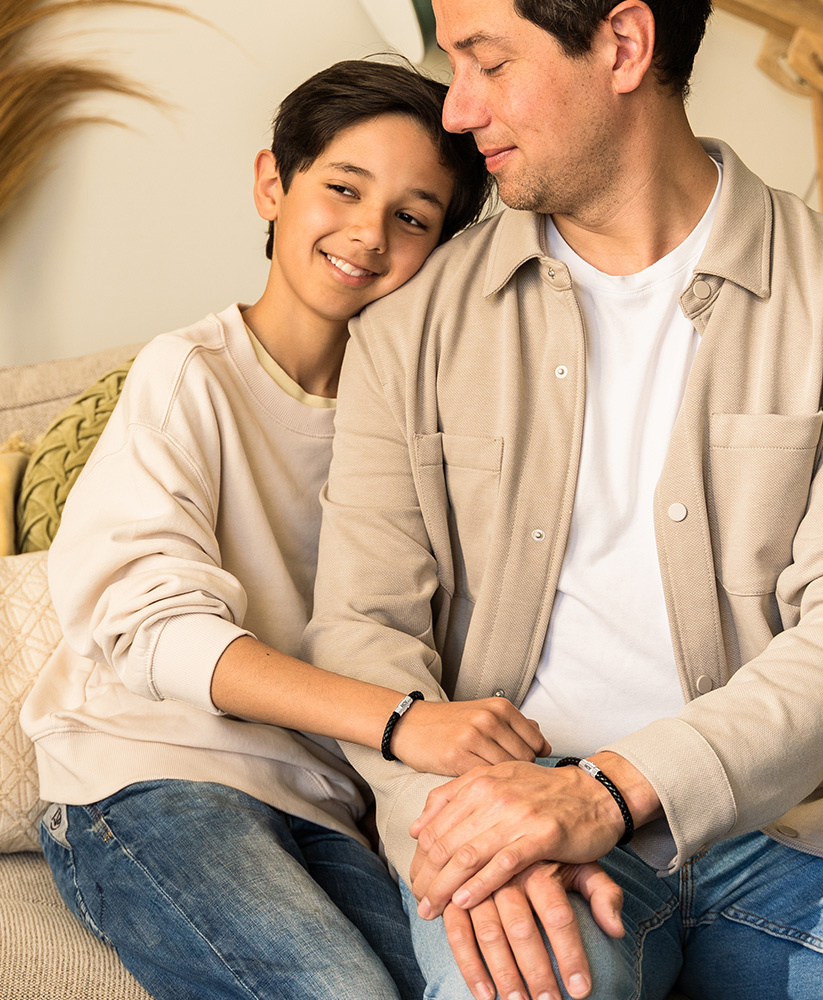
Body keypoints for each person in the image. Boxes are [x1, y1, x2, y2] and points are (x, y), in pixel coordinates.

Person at [304, 3, 823, 999]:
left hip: (800, 827)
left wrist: (608, 791)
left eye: (486, 63)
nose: (458, 110)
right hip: (514, 825)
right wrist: (462, 832)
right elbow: (361, 627)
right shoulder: (408, 325)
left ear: (623, 45)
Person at [19, 58, 555, 1000]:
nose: (367, 234)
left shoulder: (424, 420)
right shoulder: (188, 375)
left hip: (327, 803)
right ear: (274, 182)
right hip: (150, 779)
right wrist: (402, 725)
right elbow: (148, 629)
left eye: (413, 217)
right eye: (343, 189)